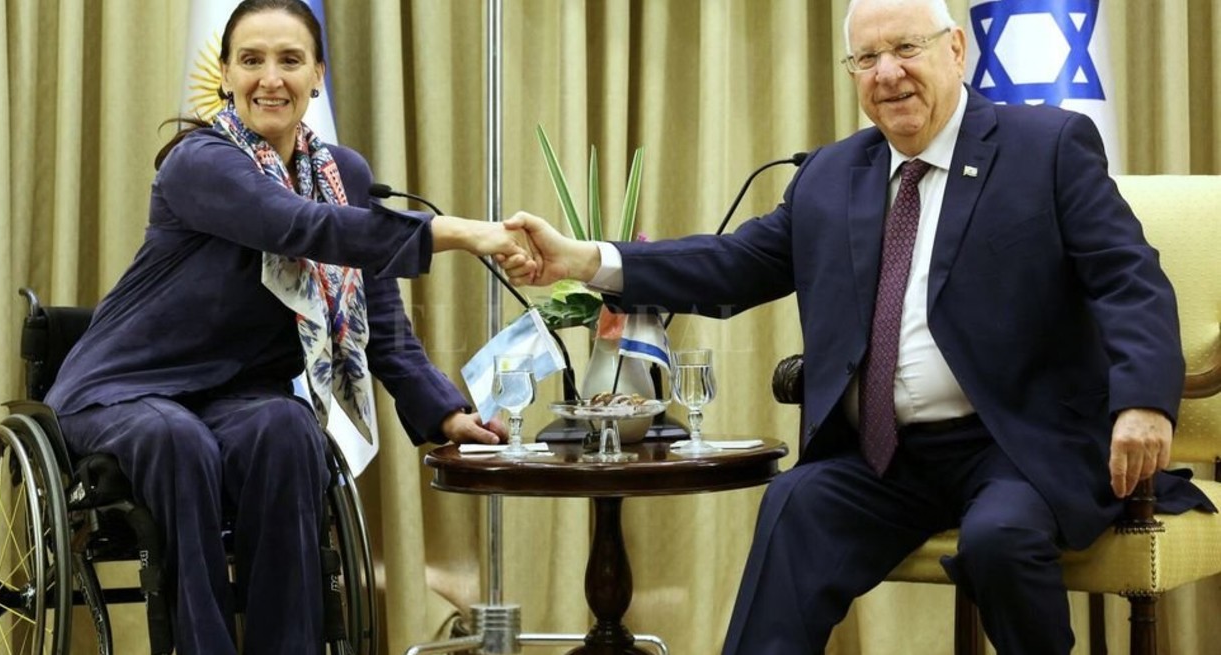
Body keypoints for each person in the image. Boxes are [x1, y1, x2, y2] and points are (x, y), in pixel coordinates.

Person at [505, 0, 1215, 652]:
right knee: (796, 505)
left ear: (955, 50)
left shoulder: (1046, 146)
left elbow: (1129, 279)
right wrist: (584, 260)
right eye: (866, 58)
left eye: (906, 48)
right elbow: (733, 264)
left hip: (1016, 444)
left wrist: (1144, 402)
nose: (887, 73)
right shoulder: (830, 174)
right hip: (885, 457)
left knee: (999, 540)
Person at [44, 1, 531, 652]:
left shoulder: (343, 176)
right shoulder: (199, 161)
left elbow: (377, 316)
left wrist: (445, 413)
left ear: (317, 75)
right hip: (125, 389)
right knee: (176, 439)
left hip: (238, 396)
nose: (270, 78)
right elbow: (296, 225)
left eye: (290, 60)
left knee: (289, 429)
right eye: (251, 60)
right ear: (225, 74)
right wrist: (461, 232)